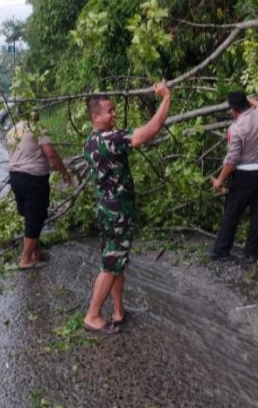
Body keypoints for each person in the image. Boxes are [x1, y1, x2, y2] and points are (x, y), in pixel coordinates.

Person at [83, 81, 172, 334]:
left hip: (105, 209)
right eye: (109, 111)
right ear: (95, 115)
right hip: (117, 213)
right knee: (111, 265)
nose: (114, 114)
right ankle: (92, 315)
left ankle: (118, 310)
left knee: (116, 260)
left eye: (113, 110)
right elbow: (150, 130)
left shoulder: (90, 141)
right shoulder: (112, 139)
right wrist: (166, 98)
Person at [208, 91, 258, 263]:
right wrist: (249, 99)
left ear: (233, 110)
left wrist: (219, 181)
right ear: (247, 103)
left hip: (246, 175)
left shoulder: (236, 129)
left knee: (233, 211)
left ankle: (221, 250)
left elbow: (232, 160)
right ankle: (251, 253)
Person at [6, 111, 71, 270]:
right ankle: (26, 259)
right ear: (33, 115)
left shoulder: (12, 131)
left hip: (15, 177)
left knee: (29, 215)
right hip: (33, 178)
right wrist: (64, 172)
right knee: (35, 217)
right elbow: (50, 153)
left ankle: (35, 252)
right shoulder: (37, 129)